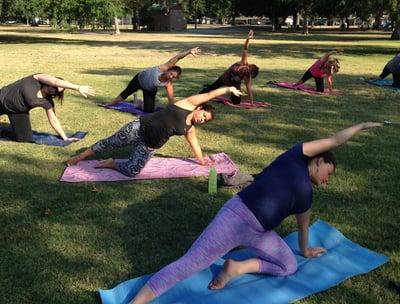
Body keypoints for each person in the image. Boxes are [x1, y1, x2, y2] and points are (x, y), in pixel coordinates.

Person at [129, 121, 382, 304]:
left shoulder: (307, 195)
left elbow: (303, 227)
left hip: (261, 233)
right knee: (191, 264)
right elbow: (337, 140)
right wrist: (360, 126)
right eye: (330, 171)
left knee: (288, 266)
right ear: (319, 160)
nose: (328, 178)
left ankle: (236, 269)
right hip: (235, 218)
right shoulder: (295, 156)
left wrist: (306, 251)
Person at [67, 86, 242, 175]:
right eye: (204, 115)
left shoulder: (189, 129)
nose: (202, 119)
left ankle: (112, 163)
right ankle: (79, 157)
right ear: (200, 108)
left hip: (149, 146)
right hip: (138, 128)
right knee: (108, 143)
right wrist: (227, 89)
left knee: (132, 172)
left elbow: (195, 145)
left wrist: (203, 162)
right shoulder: (187, 104)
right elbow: (209, 95)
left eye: (205, 121)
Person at [0, 74, 95, 142]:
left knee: (25, 139)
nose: (55, 90)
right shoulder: (35, 79)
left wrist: (65, 137)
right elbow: (56, 81)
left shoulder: (47, 102)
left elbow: (53, 119)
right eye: (55, 87)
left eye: (57, 91)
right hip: (1, 99)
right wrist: (77, 87)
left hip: (18, 112)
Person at [106, 47, 202, 112]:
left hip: (149, 90)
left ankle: (137, 102)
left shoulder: (168, 84)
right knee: (125, 93)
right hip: (139, 80)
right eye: (171, 74)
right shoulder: (164, 67)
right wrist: (189, 52)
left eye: (174, 77)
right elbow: (177, 57)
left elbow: (171, 100)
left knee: (149, 110)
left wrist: (179, 109)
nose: (171, 77)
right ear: (169, 70)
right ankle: (111, 103)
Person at [199, 30, 259, 104]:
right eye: (247, 70)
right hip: (224, 78)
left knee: (236, 102)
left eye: (248, 73)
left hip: (234, 86)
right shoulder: (243, 62)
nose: (246, 72)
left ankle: (228, 96)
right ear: (248, 66)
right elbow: (245, 49)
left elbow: (249, 89)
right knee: (209, 89)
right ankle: (206, 90)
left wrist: (251, 102)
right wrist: (248, 39)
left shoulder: (247, 76)